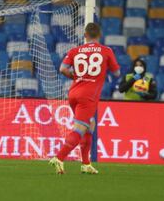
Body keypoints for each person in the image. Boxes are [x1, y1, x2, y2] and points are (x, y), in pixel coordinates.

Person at [49, 23, 120, 174]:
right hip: (88, 96)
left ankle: (86, 164)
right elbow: (117, 73)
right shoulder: (106, 51)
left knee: (90, 125)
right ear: (99, 35)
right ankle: (59, 158)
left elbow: (62, 69)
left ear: (85, 35)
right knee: (79, 129)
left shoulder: (75, 50)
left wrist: (75, 76)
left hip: (73, 92)